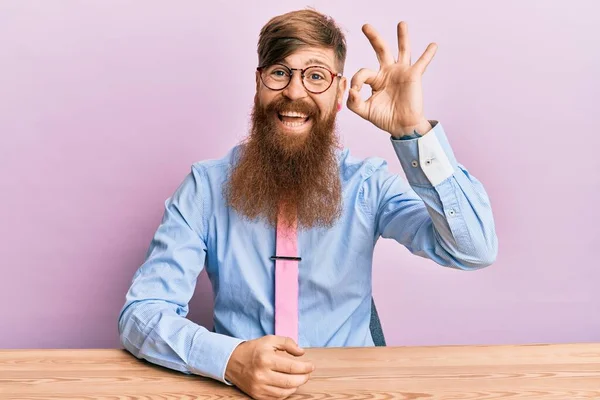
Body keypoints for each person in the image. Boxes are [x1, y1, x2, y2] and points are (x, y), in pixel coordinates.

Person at [118, 8, 497, 400]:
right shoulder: (205, 188)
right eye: (280, 72)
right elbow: (142, 313)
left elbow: (473, 250)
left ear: (338, 92)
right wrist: (230, 360)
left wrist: (412, 131)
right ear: (258, 83)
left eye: (316, 76)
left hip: (352, 392)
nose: (295, 92)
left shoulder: (367, 186)